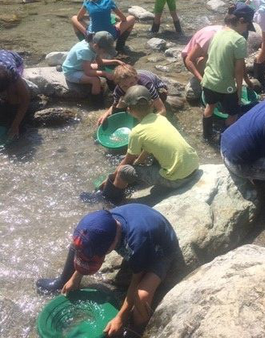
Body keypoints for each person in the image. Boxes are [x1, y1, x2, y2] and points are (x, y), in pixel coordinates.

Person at [36, 205, 179, 337]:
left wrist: (120, 318)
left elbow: (136, 280)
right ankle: (62, 280)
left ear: (112, 245)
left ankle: (135, 331)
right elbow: (84, 246)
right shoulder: (101, 224)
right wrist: (75, 277)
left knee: (141, 296)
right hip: (140, 226)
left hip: (161, 250)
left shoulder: (136, 243)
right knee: (79, 245)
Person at [86, 86, 199, 204]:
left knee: (123, 171)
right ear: (151, 104)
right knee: (143, 162)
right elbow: (149, 147)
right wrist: (138, 162)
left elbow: (126, 162)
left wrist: (109, 178)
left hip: (178, 179)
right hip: (193, 166)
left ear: (129, 110)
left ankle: (110, 200)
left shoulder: (137, 132)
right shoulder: (161, 118)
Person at [201, 3, 255, 141]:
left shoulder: (218, 33)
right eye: (247, 26)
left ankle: (206, 136)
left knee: (209, 107)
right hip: (226, 85)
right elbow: (238, 70)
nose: (246, 30)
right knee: (233, 114)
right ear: (241, 21)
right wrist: (238, 91)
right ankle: (224, 139)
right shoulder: (239, 40)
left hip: (208, 80)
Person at [71, 0, 135, 54]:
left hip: (93, 37)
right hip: (110, 36)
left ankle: (86, 43)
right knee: (131, 18)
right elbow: (123, 19)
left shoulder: (87, 2)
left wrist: (90, 15)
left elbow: (79, 18)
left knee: (74, 18)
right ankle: (120, 46)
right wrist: (116, 18)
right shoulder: (108, 0)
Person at [97, 64, 168, 125]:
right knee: (122, 105)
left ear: (136, 79)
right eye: (125, 86)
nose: (130, 88)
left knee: (150, 108)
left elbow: (162, 110)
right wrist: (106, 113)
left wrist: (144, 124)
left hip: (158, 86)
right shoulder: (118, 90)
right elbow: (115, 105)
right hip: (138, 77)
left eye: (132, 83)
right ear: (119, 85)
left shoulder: (147, 85)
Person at [62, 31, 120, 97]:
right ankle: (96, 100)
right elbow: (88, 72)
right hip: (71, 72)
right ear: (96, 46)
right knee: (95, 80)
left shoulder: (93, 46)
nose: (105, 53)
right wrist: (105, 73)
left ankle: (112, 90)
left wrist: (115, 61)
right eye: (104, 51)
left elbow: (100, 62)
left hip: (81, 67)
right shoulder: (85, 51)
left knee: (104, 68)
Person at [0, 50, 30, 139]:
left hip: (16, 61)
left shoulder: (12, 72)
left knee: (13, 98)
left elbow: (25, 99)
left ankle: (12, 115)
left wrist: (15, 125)